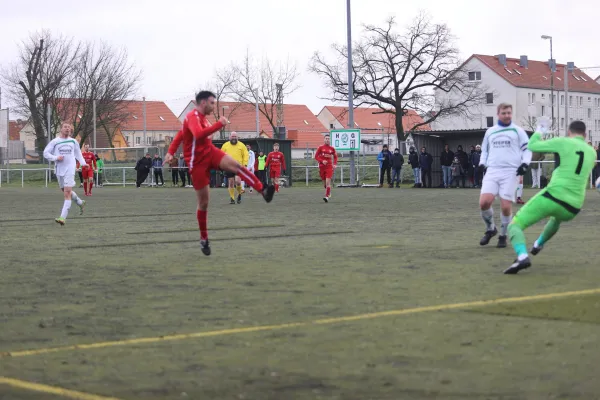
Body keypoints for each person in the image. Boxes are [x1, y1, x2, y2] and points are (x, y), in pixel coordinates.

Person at [163, 91, 274, 256]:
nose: (214, 106)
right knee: (204, 203)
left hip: (210, 153)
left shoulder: (203, 118)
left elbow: (181, 135)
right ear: (202, 103)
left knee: (236, 166)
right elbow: (197, 134)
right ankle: (203, 238)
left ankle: (262, 189)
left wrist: (171, 151)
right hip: (197, 163)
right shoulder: (193, 117)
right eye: (212, 103)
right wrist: (219, 124)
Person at [505, 120, 596, 274]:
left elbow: (533, 145)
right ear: (585, 135)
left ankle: (522, 256)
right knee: (556, 218)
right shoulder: (592, 152)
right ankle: (538, 244)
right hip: (573, 207)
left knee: (514, 225)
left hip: (554, 196)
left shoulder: (564, 142)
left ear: (569, 133)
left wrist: (540, 130)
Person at [478, 103, 532, 249]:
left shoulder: (518, 131)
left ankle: (503, 235)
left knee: (506, 206)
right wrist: (482, 163)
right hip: (492, 170)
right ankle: (491, 229)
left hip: (510, 172)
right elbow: (484, 150)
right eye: (504, 113)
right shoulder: (490, 132)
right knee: (484, 202)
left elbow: (527, 149)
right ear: (498, 113)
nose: (507, 115)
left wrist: (525, 163)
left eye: (509, 113)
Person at [43, 123, 87, 225]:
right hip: (59, 169)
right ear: (61, 129)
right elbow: (45, 153)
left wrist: (84, 164)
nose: (67, 129)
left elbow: (78, 154)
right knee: (65, 190)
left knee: (67, 192)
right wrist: (55, 158)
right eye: (65, 127)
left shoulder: (73, 141)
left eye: (69, 128)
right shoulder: (55, 141)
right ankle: (80, 202)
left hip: (70, 169)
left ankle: (62, 218)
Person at [221, 132, 248, 204]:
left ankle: (239, 194)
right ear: (229, 137)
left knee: (238, 181)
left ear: (237, 137)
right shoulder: (225, 145)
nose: (234, 138)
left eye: (235, 136)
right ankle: (232, 198)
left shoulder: (242, 145)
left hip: (238, 166)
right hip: (228, 166)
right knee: (231, 182)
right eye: (232, 136)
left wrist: (245, 164)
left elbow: (246, 155)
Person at [315, 134, 338, 202]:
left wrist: (334, 164)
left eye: (328, 139)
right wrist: (322, 161)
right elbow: (316, 157)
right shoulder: (320, 148)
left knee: (328, 183)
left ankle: (326, 197)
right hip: (322, 167)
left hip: (329, 167)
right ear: (324, 139)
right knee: (325, 184)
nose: (327, 140)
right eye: (326, 138)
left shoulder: (332, 149)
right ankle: (328, 191)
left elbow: (336, 157)